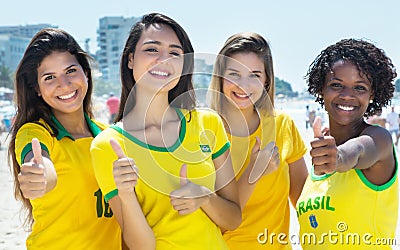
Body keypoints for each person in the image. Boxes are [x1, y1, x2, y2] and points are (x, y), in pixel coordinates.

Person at [90, 13, 241, 249]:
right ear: (130, 59)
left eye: (174, 53)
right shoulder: (107, 145)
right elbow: (142, 247)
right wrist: (126, 195)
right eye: (152, 49)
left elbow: (233, 219)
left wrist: (204, 197)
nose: (164, 60)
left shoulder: (208, 123)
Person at [7, 28, 121, 249]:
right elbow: (39, 163)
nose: (64, 84)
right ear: (37, 89)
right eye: (49, 77)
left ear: (85, 73)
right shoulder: (34, 132)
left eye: (70, 71)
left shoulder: (110, 136)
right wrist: (39, 176)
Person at [208, 32, 308, 249]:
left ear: (266, 80)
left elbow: (304, 203)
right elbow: (214, 223)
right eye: (234, 74)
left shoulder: (282, 125)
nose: (244, 85)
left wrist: (332, 164)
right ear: (220, 78)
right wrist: (254, 172)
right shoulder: (203, 132)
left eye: (254, 75)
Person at [297, 38, 398, 249]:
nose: (347, 95)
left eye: (359, 88)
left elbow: (359, 151)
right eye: (336, 85)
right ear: (321, 90)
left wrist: (339, 157)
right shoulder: (319, 157)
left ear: (372, 94)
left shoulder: (379, 139)